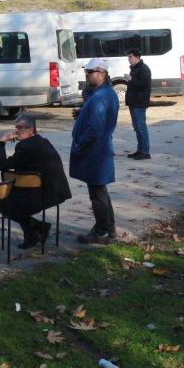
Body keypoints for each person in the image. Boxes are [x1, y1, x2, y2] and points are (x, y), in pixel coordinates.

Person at [0, 114, 72, 249]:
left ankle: (34, 231)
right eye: (16, 127)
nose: (17, 131)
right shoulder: (42, 141)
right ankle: (38, 228)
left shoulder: (25, 146)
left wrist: (2, 142)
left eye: (20, 128)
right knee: (11, 201)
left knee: (1, 203)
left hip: (43, 193)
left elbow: (2, 166)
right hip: (56, 190)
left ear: (31, 130)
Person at [70, 58, 120, 245]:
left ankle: (100, 231)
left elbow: (96, 128)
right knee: (101, 193)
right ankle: (111, 232)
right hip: (100, 151)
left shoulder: (100, 96)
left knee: (97, 194)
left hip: (95, 152)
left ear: (101, 74)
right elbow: (96, 116)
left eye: (89, 72)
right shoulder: (106, 93)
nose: (87, 75)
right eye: (86, 72)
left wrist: (79, 144)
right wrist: (82, 112)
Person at [123, 48, 152, 160]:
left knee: (141, 127)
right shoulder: (135, 68)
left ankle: (145, 151)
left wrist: (130, 79)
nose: (128, 59)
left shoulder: (143, 69)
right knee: (137, 127)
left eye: (130, 57)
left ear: (137, 57)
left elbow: (143, 85)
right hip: (133, 102)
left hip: (139, 102)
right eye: (128, 57)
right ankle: (140, 150)